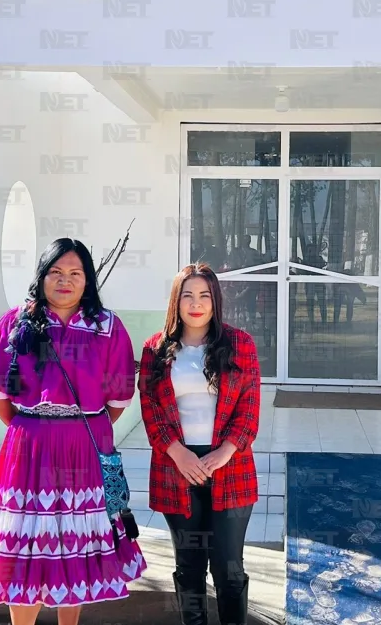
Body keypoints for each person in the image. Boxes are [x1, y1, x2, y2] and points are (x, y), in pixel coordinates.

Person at [0, 238, 147, 624]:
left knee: (71, 544)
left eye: (75, 273)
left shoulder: (107, 327)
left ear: (88, 281)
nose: (65, 281)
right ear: (41, 276)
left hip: (84, 448)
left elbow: (119, 398)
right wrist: (33, 428)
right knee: (25, 547)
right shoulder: (17, 323)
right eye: (56, 272)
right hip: (28, 448)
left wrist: (79, 429)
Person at [139, 264, 262, 625]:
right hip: (176, 467)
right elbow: (151, 410)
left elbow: (249, 408)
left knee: (228, 566)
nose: (196, 304)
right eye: (187, 296)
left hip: (230, 467)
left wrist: (224, 452)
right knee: (189, 564)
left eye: (204, 295)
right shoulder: (155, 349)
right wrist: (178, 453)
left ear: (215, 301)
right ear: (176, 302)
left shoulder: (240, 344)